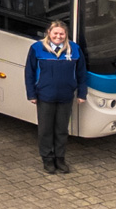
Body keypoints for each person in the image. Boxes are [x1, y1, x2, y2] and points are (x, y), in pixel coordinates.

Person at [24, 20, 87, 174]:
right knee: (45, 130)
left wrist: (81, 93)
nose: (58, 36)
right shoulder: (37, 48)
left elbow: (81, 73)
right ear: (49, 33)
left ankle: (60, 158)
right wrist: (31, 94)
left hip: (66, 96)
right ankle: (47, 159)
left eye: (61, 34)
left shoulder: (75, 49)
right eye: (55, 33)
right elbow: (29, 73)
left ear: (66, 35)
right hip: (45, 96)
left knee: (61, 130)